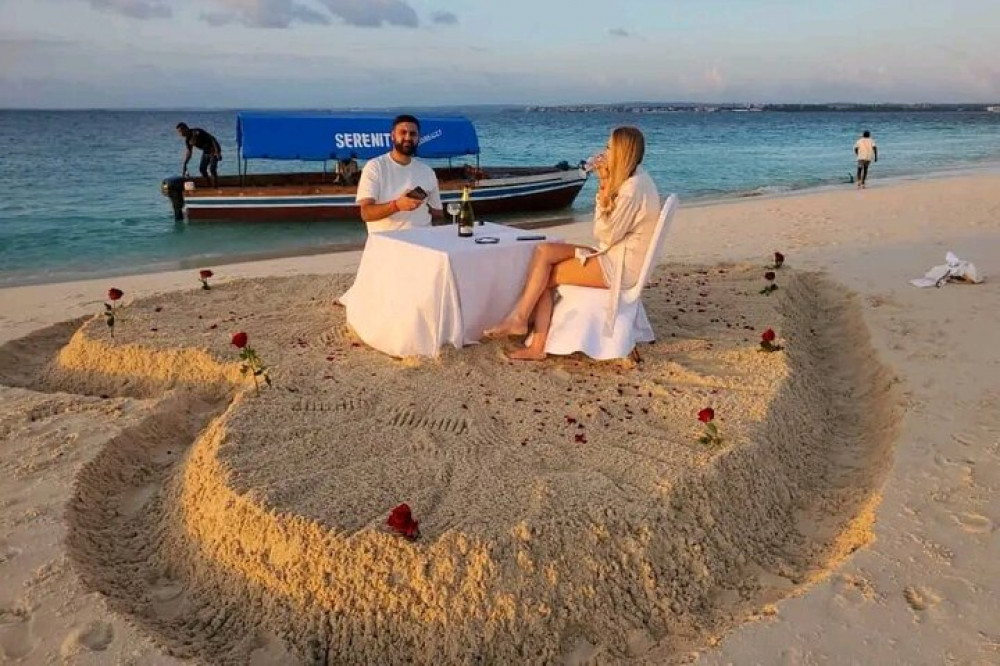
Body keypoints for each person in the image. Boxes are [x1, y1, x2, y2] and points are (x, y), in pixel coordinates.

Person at [484, 126, 660, 360]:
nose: (604, 152)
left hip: (618, 268)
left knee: (543, 275)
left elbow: (604, 234)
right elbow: (610, 235)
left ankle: (534, 342)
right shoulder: (638, 178)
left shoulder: (631, 189)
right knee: (544, 251)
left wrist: (603, 188)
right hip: (614, 255)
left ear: (621, 151)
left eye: (609, 147)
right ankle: (520, 318)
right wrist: (607, 183)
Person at [355, 114, 443, 233]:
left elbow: (437, 214)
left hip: (424, 241)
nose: (408, 137)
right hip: (388, 243)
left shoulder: (427, 171)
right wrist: (397, 206)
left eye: (413, 134)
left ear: (418, 138)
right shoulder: (375, 167)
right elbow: (366, 213)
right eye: (403, 132)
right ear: (392, 136)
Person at [176, 123, 222, 188]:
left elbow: (212, 139)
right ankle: (209, 185)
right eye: (178, 132)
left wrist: (217, 152)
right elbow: (189, 152)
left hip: (214, 149)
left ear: (185, 128)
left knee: (212, 169)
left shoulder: (196, 132)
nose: (180, 134)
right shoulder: (188, 140)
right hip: (206, 152)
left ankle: (215, 188)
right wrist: (185, 163)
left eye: (180, 131)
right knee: (202, 169)